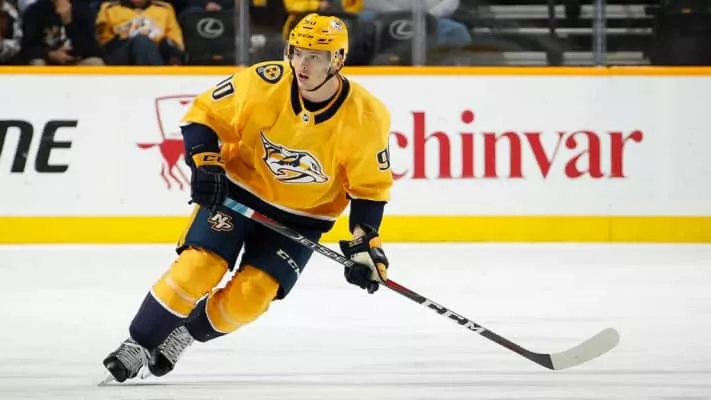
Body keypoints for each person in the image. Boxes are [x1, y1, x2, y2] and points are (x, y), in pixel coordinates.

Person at [102, 13, 394, 383]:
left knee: (251, 297)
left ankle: (183, 334)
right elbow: (202, 115)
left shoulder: (367, 116)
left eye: (315, 56)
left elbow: (369, 189)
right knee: (198, 268)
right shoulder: (263, 81)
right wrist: (205, 162)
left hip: (302, 217)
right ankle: (138, 343)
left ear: (337, 60)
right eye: (297, 52)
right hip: (238, 193)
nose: (302, 64)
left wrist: (365, 243)